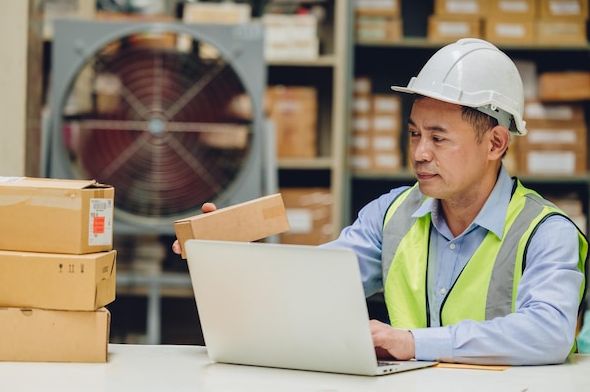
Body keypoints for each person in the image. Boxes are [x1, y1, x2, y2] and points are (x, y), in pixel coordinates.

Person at [173, 38, 588, 366]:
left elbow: (548, 333)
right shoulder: (392, 216)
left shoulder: (545, 232)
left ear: (495, 143)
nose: (420, 153)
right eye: (414, 134)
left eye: (438, 137)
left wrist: (411, 343)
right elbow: (312, 288)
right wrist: (227, 259)